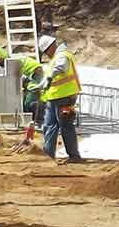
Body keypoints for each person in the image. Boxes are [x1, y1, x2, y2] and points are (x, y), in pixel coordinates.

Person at [33, 31, 82, 162]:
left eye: (46, 51)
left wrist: (49, 77)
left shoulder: (62, 55)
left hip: (64, 96)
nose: (47, 55)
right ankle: (48, 155)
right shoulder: (57, 56)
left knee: (66, 126)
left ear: (51, 47)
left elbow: (61, 68)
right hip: (55, 97)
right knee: (49, 126)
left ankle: (74, 156)